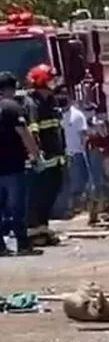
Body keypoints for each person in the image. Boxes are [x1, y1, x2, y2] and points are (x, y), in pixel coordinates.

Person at [23, 64, 66, 247]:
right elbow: (33, 131)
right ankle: (34, 232)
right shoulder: (32, 103)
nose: (55, 82)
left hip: (56, 159)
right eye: (51, 79)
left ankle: (43, 228)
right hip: (44, 160)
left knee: (50, 196)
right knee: (38, 197)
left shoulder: (52, 101)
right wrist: (37, 155)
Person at [0, 72, 42, 256]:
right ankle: (23, 244)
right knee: (17, 209)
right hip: (12, 166)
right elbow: (24, 134)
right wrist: (36, 156)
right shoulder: (12, 108)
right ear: (10, 88)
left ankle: (1, 247)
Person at [62, 96, 96, 222]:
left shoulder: (77, 115)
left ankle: (78, 208)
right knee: (67, 183)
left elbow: (83, 135)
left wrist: (83, 150)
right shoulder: (59, 115)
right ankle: (70, 208)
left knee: (78, 182)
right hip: (65, 154)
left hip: (77, 153)